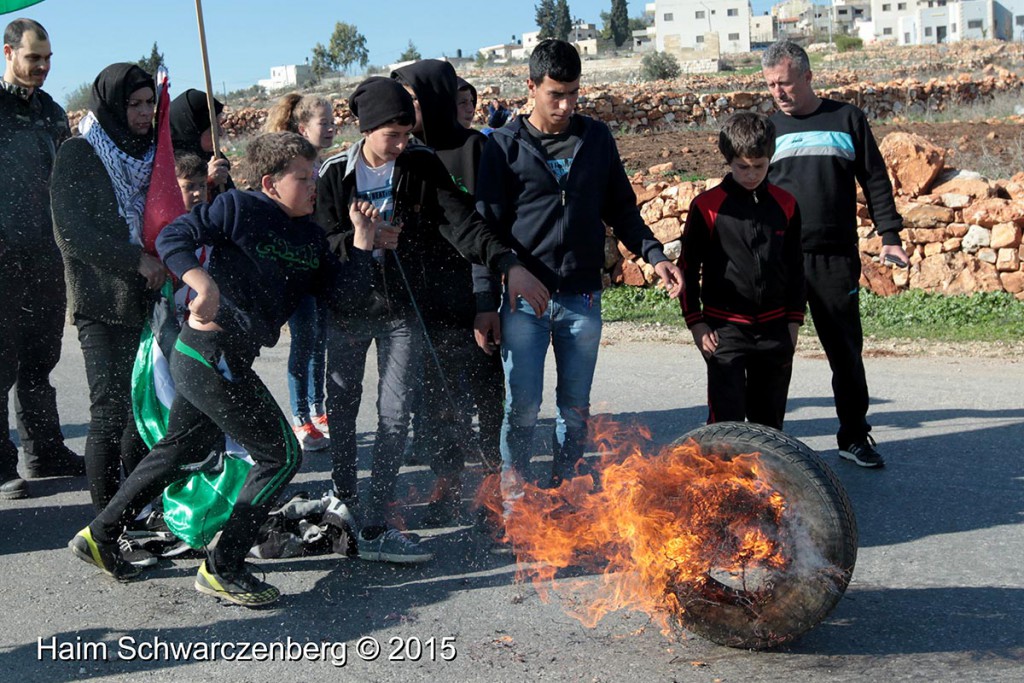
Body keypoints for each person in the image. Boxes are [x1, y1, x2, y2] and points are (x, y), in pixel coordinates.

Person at [70, 131, 379, 605]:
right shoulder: (239, 207)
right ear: (269, 183)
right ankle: (224, 566)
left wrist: (361, 243)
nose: (313, 185)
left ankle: (100, 534)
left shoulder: (313, 238)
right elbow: (176, 236)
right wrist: (201, 282)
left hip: (226, 358)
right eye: (302, 177)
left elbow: (348, 299)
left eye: (314, 175)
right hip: (205, 351)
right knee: (281, 455)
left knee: (181, 448)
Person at [315, 77, 546, 562]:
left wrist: (509, 265)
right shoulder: (335, 173)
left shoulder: (420, 164)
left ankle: (376, 520)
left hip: (402, 312)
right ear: (367, 129)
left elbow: (462, 223)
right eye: (391, 136)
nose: (402, 144)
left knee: (395, 414)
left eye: (406, 132)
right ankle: (343, 497)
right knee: (341, 407)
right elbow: (321, 246)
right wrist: (363, 240)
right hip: (347, 313)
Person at [474, 39, 683, 509]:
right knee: (523, 406)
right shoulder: (503, 148)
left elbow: (623, 209)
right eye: (556, 94)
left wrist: (654, 254)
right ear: (531, 87)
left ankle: (566, 489)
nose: (567, 105)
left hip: (582, 298)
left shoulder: (596, 139)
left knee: (575, 409)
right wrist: (485, 302)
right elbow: (484, 231)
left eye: (574, 93)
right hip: (523, 302)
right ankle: (516, 494)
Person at [762, 40, 907, 468]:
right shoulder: (769, 129)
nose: (778, 92)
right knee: (773, 355)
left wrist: (890, 235)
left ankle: (854, 436)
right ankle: (770, 443)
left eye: (785, 83)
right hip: (780, 263)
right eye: (771, 85)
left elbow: (875, 180)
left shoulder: (847, 118)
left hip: (834, 260)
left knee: (845, 351)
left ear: (807, 77)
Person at [51, 63, 162, 547]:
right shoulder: (79, 152)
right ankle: (105, 528)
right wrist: (134, 260)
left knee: (141, 412)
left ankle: (133, 512)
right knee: (109, 413)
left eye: (149, 103)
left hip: (147, 300)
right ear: (114, 106)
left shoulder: (150, 154)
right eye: (135, 105)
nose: (144, 113)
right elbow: (73, 233)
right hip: (100, 302)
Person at [391, 60, 505, 524]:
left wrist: (484, 304)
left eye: (412, 100)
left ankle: (491, 489)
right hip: (422, 300)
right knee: (435, 400)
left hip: (470, 297)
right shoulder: (405, 154)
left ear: (434, 99)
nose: (404, 108)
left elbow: (485, 229)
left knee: (485, 394)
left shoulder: (473, 148)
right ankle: (446, 483)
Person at [680, 112, 805, 430]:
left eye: (759, 166)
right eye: (742, 167)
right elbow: (688, 267)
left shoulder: (786, 204)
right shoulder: (707, 205)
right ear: (729, 160)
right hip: (725, 331)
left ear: (770, 157)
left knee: (769, 424)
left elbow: (795, 266)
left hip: (775, 329)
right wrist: (696, 322)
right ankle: (721, 480)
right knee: (726, 422)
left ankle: (765, 480)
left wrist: (793, 322)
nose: (751, 175)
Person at [0, 18, 83, 499]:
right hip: (2, 255)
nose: (44, 67)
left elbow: (64, 177)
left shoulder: (51, 111)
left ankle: (44, 450)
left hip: (46, 252)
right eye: (34, 57)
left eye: (48, 58)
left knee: (40, 358)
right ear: (9, 52)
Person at [264, 93, 338, 450]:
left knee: (319, 339)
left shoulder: (327, 166)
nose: (331, 128)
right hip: (294, 267)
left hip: (319, 265)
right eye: (324, 123)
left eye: (333, 121)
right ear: (302, 127)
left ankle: (318, 408)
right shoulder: (287, 168)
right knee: (304, 342)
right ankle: (299, 418)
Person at [170, 88, 232, 199]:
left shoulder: (213, 159)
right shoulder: (169, 167)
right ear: (193, 131)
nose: (221, 133)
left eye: (220, 124)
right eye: (213, 127)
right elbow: (177, 208)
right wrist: (205, 181)